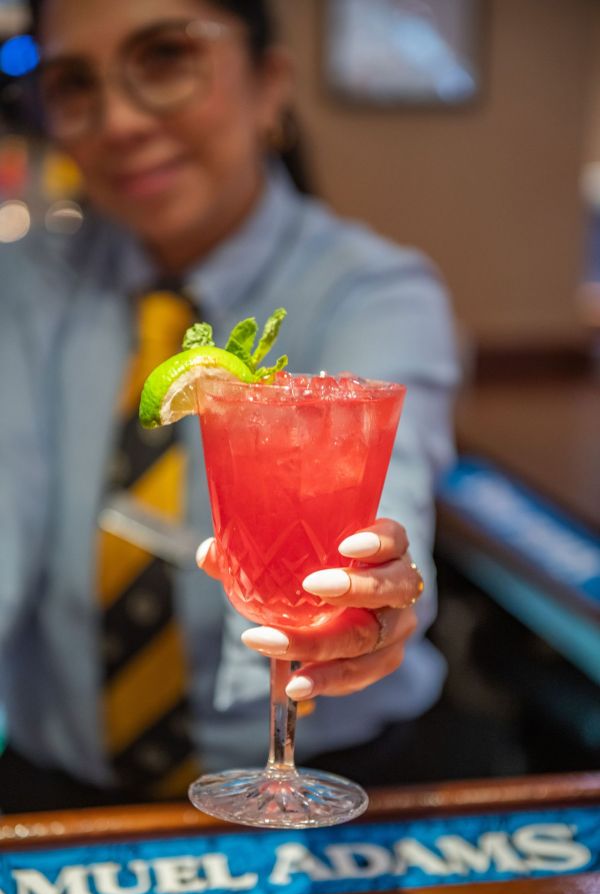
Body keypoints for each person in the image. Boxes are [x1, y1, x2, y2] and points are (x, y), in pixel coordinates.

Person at [0, 0, 458, 812]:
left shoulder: (375, 290)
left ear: (270, 84)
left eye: (166, 58)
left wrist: (368, 590)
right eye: (75, 84)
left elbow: (391, 474)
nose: (119, 121)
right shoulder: (22, 285)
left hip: (352, 780)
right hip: (65, 800)